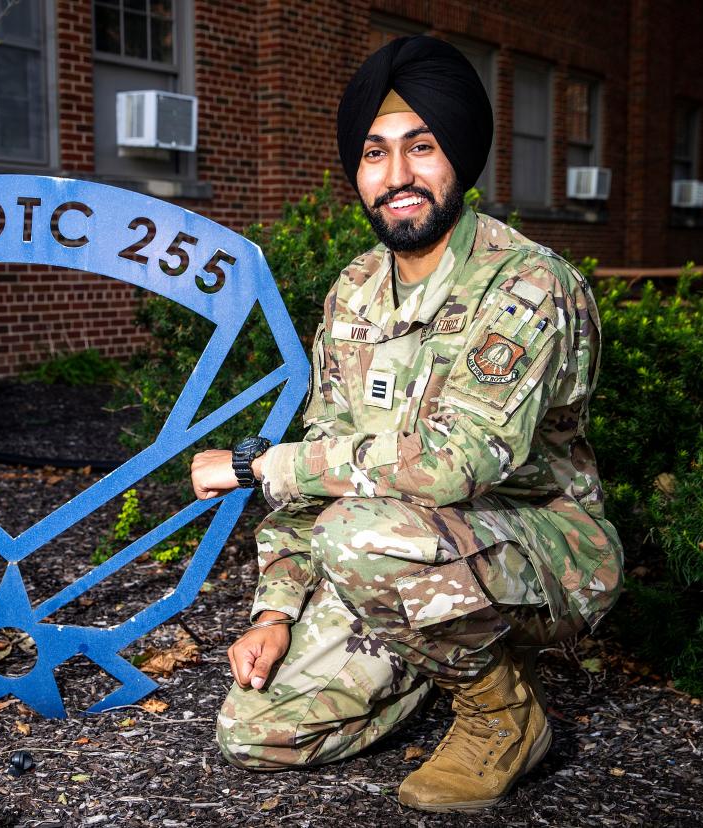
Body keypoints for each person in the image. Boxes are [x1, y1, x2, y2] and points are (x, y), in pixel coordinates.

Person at [189, 35, 622, 813]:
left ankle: (500, 712)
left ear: (457, 153)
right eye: (374, 154)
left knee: (356, 534)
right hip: (399, 553)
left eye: (420, 148)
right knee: (255, 732)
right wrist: (276, 610)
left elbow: (456, 465)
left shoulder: (526, 284)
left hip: (542, 549)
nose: (397, 178)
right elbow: (328, 451)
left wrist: (263, 463)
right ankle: (429, 650)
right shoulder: (354, 289)